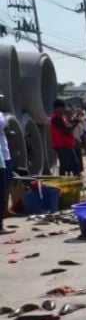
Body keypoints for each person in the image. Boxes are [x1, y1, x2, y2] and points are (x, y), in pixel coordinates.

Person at [49, 99, 80, 176]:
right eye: (63, 108)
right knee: (74, 165)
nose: (64, 110)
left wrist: (73, 122)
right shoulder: (56, 118)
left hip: (65, 145)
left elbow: (68, 127)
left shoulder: (61, 118)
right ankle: (76, 182)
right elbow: (66, 130)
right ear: (57, 108)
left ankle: (64, 183)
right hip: (62, 146)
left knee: (64, 166)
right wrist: (76, 122)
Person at [0, 94, 14, 235]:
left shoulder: (2, 115)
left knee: (6, 185)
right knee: (1, 190)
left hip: (4, 154)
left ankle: (5, 212)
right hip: (1, 157)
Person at [72, 108, 85, 174]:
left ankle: (78, 170)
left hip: (76, 141)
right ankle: (79, 169)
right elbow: (81, 132)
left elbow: (81, 131)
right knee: (78, 156)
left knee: (77, 156)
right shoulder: (78, 123)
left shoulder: (75, 122)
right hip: (76, 140)